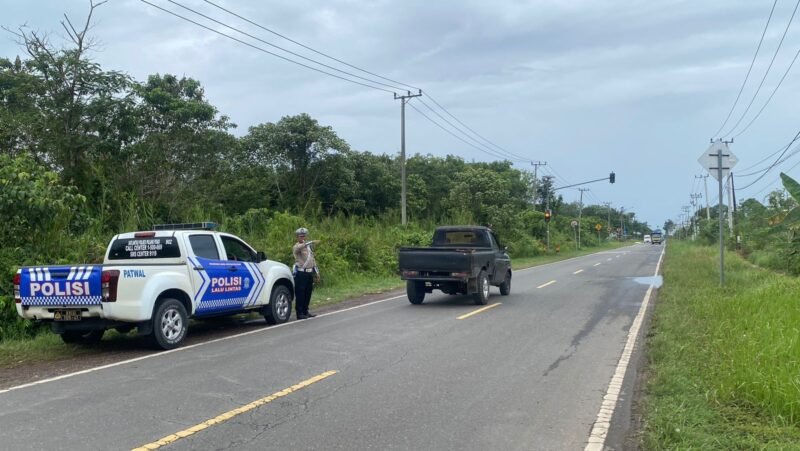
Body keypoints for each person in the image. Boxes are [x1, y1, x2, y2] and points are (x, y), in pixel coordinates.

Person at [292, 227, 321, 319]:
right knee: (300, 293)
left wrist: (316, 272)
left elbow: (312, 259)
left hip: (309, 273)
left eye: (304, 236)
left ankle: (306, 311)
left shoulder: (308, 247)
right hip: (301, 273)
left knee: (308, 293)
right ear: (297, 237)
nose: (302, 238)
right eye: (300, 236)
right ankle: (299, 313)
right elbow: (298, 249)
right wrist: (310, 242)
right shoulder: (297, 246)